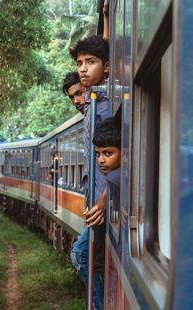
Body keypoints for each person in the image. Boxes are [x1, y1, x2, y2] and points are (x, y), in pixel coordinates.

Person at [68, 35, 110, 310]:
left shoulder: (107, 105)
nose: (83, 69)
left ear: (106, 67)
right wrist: (106, 15)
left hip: (105, 204)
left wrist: (105, 200)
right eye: (79, 63)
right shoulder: (94, 104)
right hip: (97, 202)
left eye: (90, 62)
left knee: (80, 254)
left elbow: (125, 158)